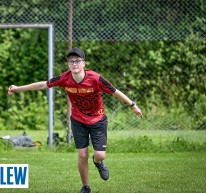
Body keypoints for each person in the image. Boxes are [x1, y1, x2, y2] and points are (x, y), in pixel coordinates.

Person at [8, 47, 143, 193]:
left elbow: (115, 91)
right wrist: (17, 88)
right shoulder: (64, 78)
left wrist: (133, 105)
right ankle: (86, 187)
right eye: (71, 61)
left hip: (98, 119)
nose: (74, 64)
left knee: (100, 155)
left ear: (84, 63)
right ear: (68, 64)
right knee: (82, 154)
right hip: (78, 120)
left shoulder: (96, 78)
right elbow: (43, 84)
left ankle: (98, 162)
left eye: (78, 61)